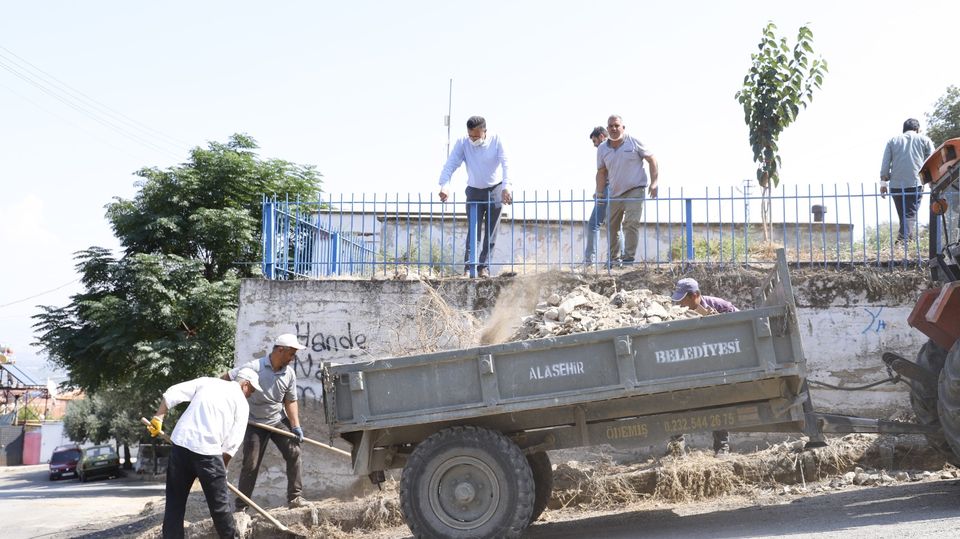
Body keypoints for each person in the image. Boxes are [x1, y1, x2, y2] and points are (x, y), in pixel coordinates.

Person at [147, 368, 263, 539]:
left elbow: (173, 392)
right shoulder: (242, 404)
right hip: (208, 453)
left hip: (181, 445)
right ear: (245, 384)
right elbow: (232, 443)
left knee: (174, 504)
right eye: (251, 390)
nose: (250, 394)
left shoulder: (208, 382)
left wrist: (158, 417)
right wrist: (222, 469)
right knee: (220, 508)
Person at [223, 333, 308, 512]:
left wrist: (295, 426)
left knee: (294, 452)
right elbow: (226, 378)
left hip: (277, 420)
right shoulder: (254, 367)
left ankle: (295, 497)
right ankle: (241, 508)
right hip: (254, 423)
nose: (293, 358)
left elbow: (290, 401)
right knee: (251, 464)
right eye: (291, 354)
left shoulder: (289, 373)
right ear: (280, 350)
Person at [669, 278, 739, 455]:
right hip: (686, 365)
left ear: (695, 295)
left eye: (683, 300)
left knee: (716, 402)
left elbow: (743, 323)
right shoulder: (675, 312)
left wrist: (718, 322)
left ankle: (722, 448)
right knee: (678, 401)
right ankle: (677, 449)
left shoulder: (719, 305)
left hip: (714, 364)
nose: (680, 304)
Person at [438, 115, 512, 278]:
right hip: (473, 191)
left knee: (491, 233)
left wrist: (506, 187)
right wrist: (445, 185)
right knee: (473, 231)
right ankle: (468, 267)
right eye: (470, 136)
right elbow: (451, 164)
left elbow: (506, 164)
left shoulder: (496, 140)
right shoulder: (463, 142)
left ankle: (484, 268)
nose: (473, 140)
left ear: (485, 132)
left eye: (476, 137)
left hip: (495, 190)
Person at [596, 115, 659, 266]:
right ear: (607, 129)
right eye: (611, 126)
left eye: (617, 125)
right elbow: (601, 172)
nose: (614, 128)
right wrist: (599, 192)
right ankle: (613, 260)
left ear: (623, 127)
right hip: (614, 192)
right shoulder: (602, 148)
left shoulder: (633, 142)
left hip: (635, 189)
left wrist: (654, 183)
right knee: (611, 225)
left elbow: (652, 159)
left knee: (631, 223)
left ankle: (628, 259)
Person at [880, 118, 935, 244]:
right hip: (915, 182)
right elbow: (932, 160)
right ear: (917, 129)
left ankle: (908, 242)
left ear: (904, 129)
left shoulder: (892, 141)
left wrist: (883, 183)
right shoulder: (924, 140)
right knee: (909, 215)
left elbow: (885, 163)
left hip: (896, 185)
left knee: (904, 216)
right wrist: (931, 180)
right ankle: (901, 241)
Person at [583, 126, 623, 266]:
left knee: (594, 224)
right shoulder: (617, 147)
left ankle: (590, 261)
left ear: (601, 136)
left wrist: (599, 192)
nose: (594, 145)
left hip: (607, 190)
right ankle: (616, 260)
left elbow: (602, 171)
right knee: (615, 225)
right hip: (616, 189)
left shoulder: (605, 148)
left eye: (594, 141)